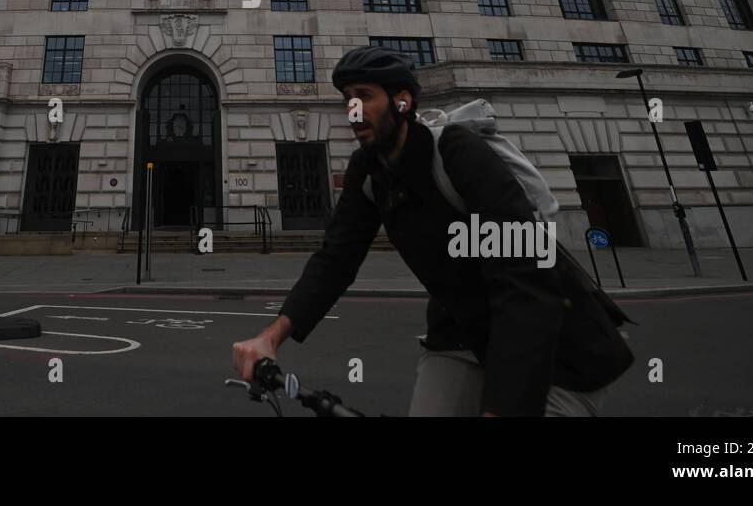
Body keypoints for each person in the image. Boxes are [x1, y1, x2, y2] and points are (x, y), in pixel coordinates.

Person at [231, 46, 635, 417]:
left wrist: (501, 408)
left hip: (553, 344)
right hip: (460, 334)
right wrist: (271, 337)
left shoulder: (459, 154)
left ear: (402, 101)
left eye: (364, 96)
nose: (352, 111)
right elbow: (335, 259)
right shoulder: (368, 171)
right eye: (347, 99)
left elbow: (524, 279)